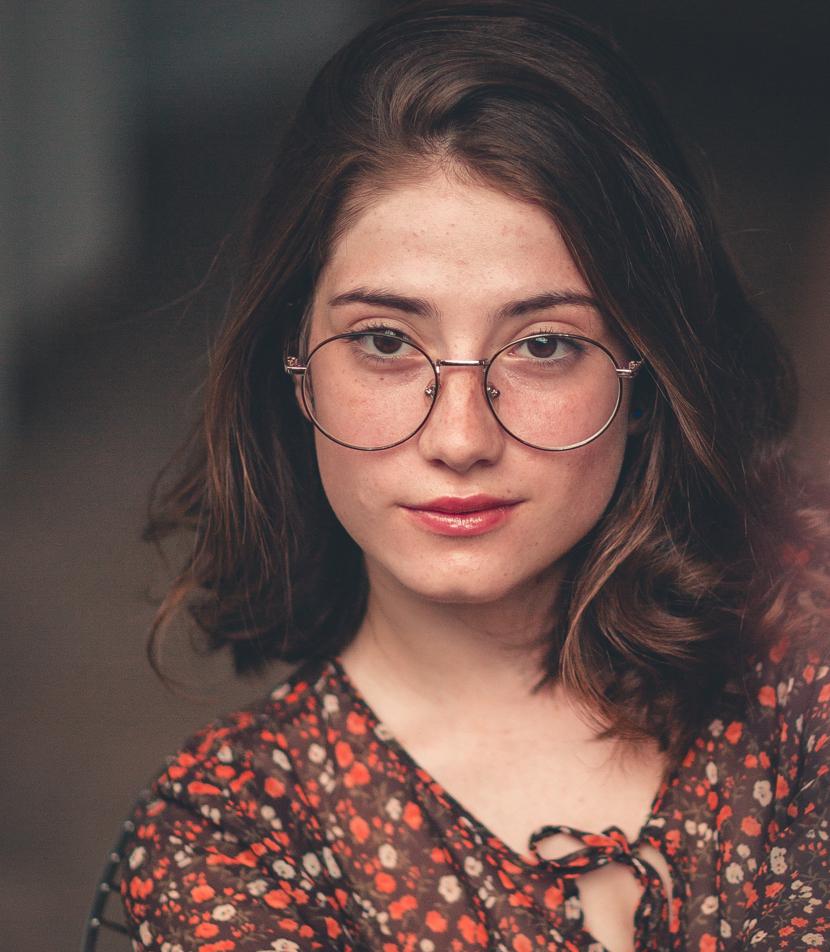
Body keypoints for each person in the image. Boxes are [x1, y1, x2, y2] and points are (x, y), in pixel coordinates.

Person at [120, 2, 829, 950]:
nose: (460, 439)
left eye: (542, 345)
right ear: (291, 362)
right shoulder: (227, 835)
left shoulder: (805, 616)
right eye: (384, 341)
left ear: (646, 372)